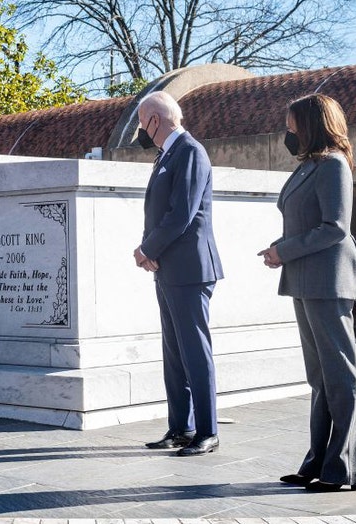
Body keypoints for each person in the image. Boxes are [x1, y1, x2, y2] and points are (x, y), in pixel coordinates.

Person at [258, 93, 356, 492]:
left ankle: (342, 470)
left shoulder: (334, 165)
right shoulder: (310, 166)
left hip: (328, 280)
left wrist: (283, 250)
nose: (287, 133)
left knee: (340, 376)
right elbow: (303, 222)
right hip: (306, 279)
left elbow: (335, 227)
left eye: (292, 126)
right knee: (320, 377)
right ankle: (317, 461)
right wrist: (279, 250)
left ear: (311, 125)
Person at [132, 91, 224, 457]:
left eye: (142, 122)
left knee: (195, 351)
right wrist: (148, 250)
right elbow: (156, 212)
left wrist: (147, 249)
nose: (141, 130)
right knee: (174, 353)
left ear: (155, 119)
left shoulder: (190, 152)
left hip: (190, 268)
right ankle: (181, 427)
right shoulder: (166, 156)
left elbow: (181, 214)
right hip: (168, 267)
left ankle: (207, 431)